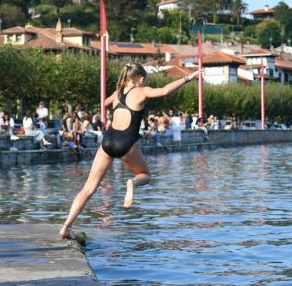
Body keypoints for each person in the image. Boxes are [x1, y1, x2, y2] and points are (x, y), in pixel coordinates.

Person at [58, 62, 201, 240]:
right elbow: (164, 91)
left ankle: (66, 226)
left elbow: (105, 102)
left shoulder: (118, 93)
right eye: (145, 80)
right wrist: (188, 78)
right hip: (126, 143)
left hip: (108, 140)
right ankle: (132, 183)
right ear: (140, 79)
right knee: (145, 175)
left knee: (88, 188)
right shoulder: (142, 91)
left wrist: (118, 92)